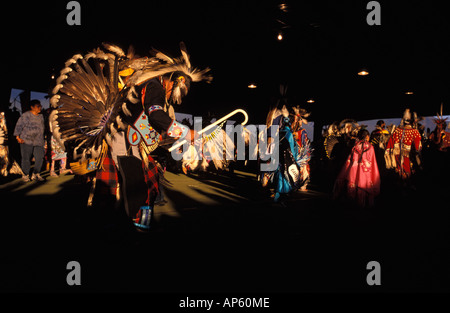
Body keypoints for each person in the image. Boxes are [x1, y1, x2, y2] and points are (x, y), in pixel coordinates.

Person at [50, 42, 210, 231]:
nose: (170, 95)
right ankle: (140, 225)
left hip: (123, 141)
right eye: (173, 91)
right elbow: (156, 115)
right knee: (139, 187)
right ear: (173, 81)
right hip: (125, 143)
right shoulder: (154, 86)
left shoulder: (146, 84)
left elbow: (147, 119)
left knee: (117, 187)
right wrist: (186, 132)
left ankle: (119, 223)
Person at [333, 129, 380, 207]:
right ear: (367, 136)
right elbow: (373, 161)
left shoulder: (355, 146)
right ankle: (363, 204)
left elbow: (350, 160)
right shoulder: (370, 147)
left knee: (354, 182)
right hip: (366, 171)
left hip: (354, 170)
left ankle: (353, 202)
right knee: (364, 184)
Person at [385, 109, 422, 183]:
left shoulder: (397, 130)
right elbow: (417, 147)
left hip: (397, 156)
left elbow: (390, 143)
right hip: (409, 157)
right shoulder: (414, 132)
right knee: (408, 172)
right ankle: (407, 185)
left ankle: (402, 186)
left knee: (400, 172)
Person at [13, 100, 45, 182]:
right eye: (38, 106)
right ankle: (25, 174)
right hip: (26, 140)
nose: (40, 107)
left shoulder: (41, 116)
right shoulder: (26, 115)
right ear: (32, 107)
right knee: (26, 158)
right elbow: (19, 125)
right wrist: (17, 137)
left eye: (40, 106)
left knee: (39, 158)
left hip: (38, 140)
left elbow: (43, 128)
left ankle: (36, 174)